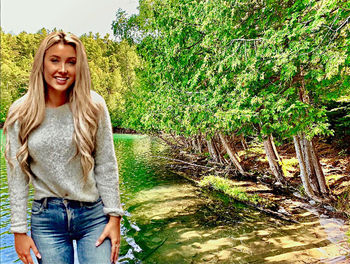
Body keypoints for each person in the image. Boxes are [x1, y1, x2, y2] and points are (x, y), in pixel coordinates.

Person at [3, 31, 124, 264]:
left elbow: (106, 164)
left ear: (80, 67)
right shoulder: (21, 112)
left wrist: (115, 217)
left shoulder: (94, 105)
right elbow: (17, 176)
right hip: (47, 222)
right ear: (42, 63)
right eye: (54, 60)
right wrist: (19, 231)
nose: (63, 69)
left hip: (93, 216)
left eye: (71, 62)